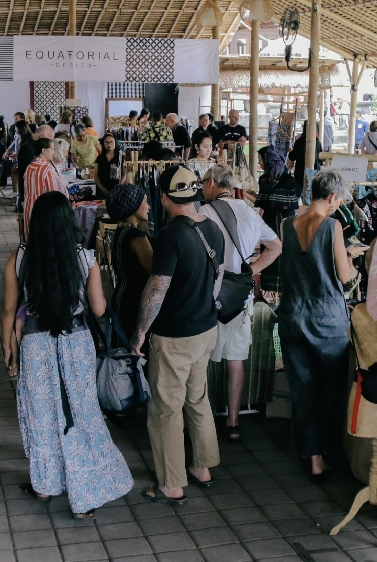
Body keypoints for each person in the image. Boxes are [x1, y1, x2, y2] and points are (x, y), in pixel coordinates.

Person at [1, 192, 133, 518]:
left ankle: (45, 486)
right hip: (75, 342)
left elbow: (8, 309)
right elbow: (99, 308)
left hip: (34, 343)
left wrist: (8, 345)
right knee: (79, 412)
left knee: (43, 412)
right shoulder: (84, 258)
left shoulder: (20, 257)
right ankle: (83, 496)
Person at [132, 165, 223, 504]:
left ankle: (171, 483)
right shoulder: (211, 228)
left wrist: (140, 332)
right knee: (197, 399)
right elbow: (219, 278)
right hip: (206, 329)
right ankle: (203, 467)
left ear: (165, 197)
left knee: (166, 409)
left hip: (174, 337)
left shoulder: (171, 236)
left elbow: (157, 289)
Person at [279, 170, 362, 478]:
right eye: (338, 200)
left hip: (291, 315)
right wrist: (351, 259)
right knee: (330, 388)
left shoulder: (287, 224)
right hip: (326, 320)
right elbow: (344, 276)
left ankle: (312, 454)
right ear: (331, 198)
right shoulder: (332, 225)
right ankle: (327, 449)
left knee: (302, 389)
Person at [200, 164, 281, 443]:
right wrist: (253, 269)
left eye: (202, 183)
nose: (201, 188)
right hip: (241, 295)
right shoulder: (248, 210)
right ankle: (233, 421)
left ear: (212, 183)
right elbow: (276, 246)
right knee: (236, 359)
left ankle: (203, 418)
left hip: (210, 293)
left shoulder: (204, 212)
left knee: (202, 359)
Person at [105, 183, 153, 338]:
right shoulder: (137, 237)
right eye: (145, 201)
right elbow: (154, 270)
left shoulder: (122, 230)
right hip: (134, 302)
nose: (149, 207)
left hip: (122, 297)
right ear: (133, 205)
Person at [22, 138, 69, 237]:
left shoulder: (30, 166)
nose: (53, 152)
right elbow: (53, 194)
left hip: (29, 208)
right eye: (52, 149)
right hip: (43, 211)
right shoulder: (47, 169)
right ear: (44, 150)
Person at [290, 121, 324, 193]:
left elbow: (292, 157)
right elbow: (321, 160)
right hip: (315, 174)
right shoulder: (317, 143)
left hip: (300, 175)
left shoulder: (299, 142)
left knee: (297, 196)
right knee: (312, 196)